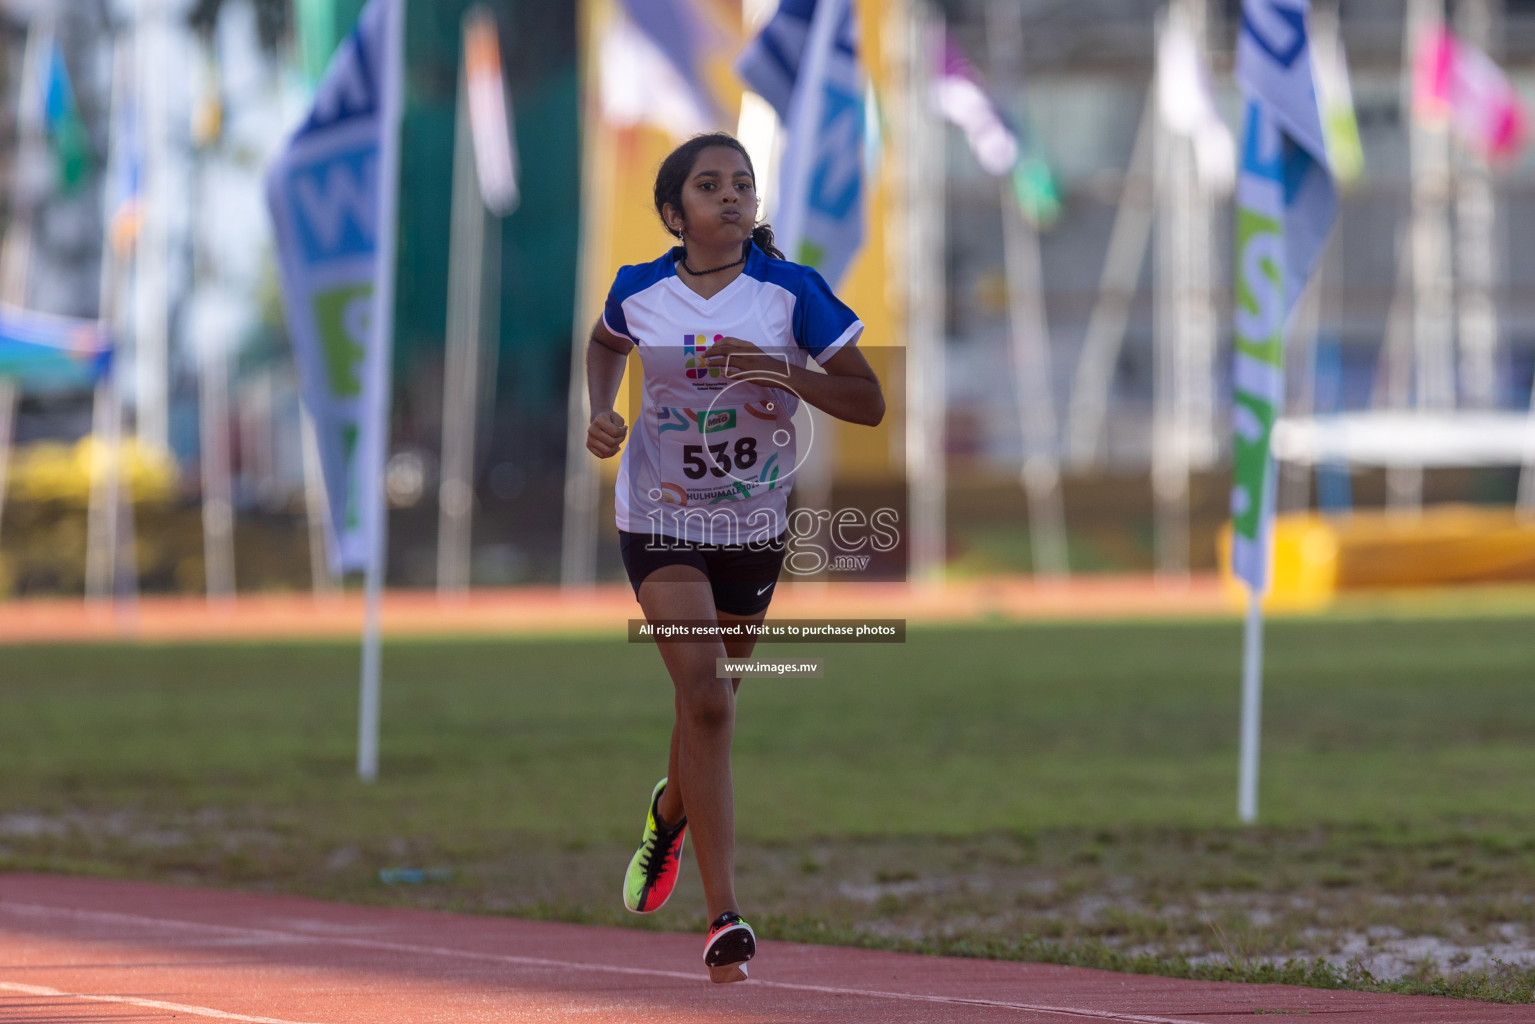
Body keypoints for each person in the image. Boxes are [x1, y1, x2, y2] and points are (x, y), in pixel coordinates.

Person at [584, 132, 884, 983]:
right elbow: (604, 342)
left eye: (742, 183)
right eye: (709, 186)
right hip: (659, 518)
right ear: (675, 214)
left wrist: (777, 372)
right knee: (708, 704)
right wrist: (600, 412)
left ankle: (667, 815)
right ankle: (724, 917)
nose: (731, 195)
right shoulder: (638, 290)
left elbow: (867, 401)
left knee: (710, 706)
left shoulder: (790, 294)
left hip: (751, 527)